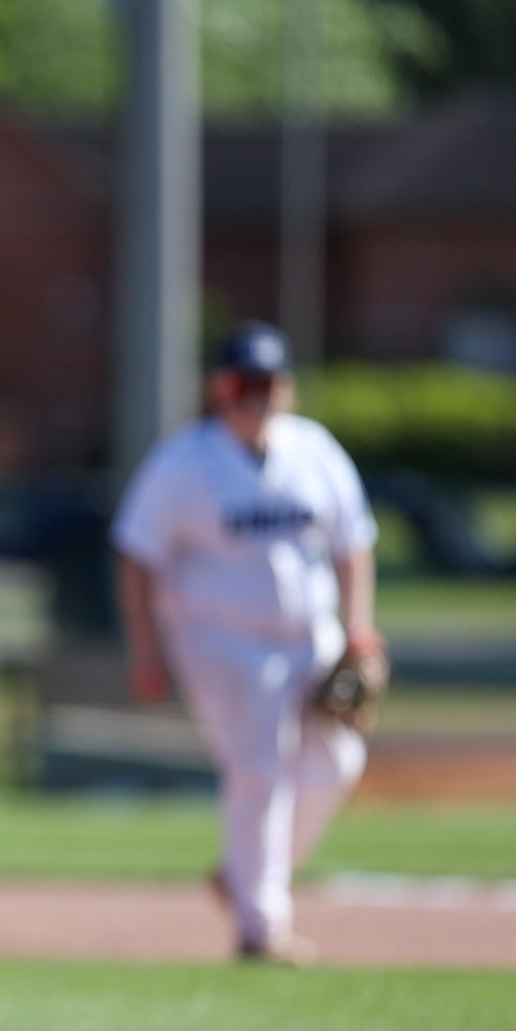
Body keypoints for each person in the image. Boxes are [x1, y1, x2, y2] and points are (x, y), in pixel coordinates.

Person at [112, 321, 381, 963]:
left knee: (338, 760)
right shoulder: (184, 463)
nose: (253, 397)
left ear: (286, 389)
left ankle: (243, 879)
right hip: (220, 638)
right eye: (241, 383)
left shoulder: (312, 450)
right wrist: (145, 649)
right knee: (259, 769)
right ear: (218, 388)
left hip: (310, 635)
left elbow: (353, 544)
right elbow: (135, 555)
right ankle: (262, 929)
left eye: (266, 384)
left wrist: (360, 632)